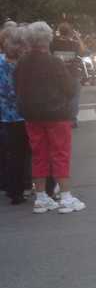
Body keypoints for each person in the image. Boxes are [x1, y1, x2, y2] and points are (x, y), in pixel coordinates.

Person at [15, 22, 85, 214]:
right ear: (48, 39)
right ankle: (66, 196)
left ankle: (41, 197)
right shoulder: (54, 62)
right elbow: (70, 89)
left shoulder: (22, 62)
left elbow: (17, 86)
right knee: (60, 154)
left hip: (31, 114)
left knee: (39, 154)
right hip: (56, 114)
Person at [1, 26, 28, 204]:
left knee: (17, 153)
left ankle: (18, 187)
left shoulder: (21, 62)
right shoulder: (15, 64)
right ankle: (16, 190)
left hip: (15, 114)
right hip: (14, 115)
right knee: (17, 153)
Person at [50, 22, 84, 126]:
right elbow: (83, 51)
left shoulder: (53, 44)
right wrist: (78, 37)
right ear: (70, 32)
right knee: (74, 97)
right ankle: (72, 119)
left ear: (59, 32)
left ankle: (61, 118)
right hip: (73, 74)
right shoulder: (74, 44)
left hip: (57, 74)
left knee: (60, 96)